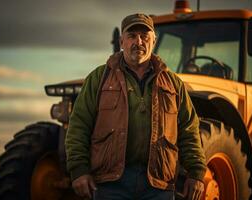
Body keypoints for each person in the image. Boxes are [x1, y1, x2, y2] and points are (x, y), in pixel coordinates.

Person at [65, 13, 207, 200]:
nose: (138, 42)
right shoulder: (99, 78)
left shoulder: (173, 84)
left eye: (144, 36)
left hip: (158, 184)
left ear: (153, 41)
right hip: (111, 183)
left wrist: (196, 172)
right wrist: (79, 170)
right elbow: (78, 125)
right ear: (121, 41)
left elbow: (189, 130)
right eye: (131, 36)